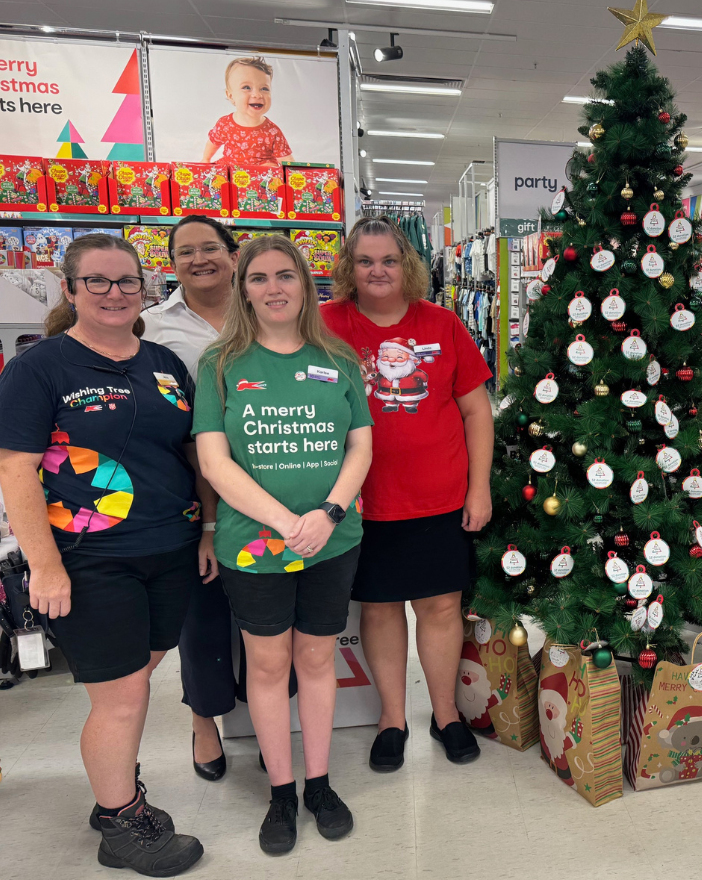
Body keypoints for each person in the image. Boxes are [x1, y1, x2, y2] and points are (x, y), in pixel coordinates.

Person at [0, 234, 205, 876]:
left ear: (145, 288)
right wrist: (46, 564)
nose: (115, 294)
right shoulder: (40, 367)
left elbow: (190, 453)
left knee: (136, 676)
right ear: (70, 289)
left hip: (171, 547)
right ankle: (120, 821)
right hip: (88, 556)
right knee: (123, 697)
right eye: (98, 282)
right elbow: (15, 469)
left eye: (127, 282)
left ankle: (116, 784)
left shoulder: (164, 361)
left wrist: (211, 530)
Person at [193, 236, 372, 853]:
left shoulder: (340, 359)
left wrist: (326, 512)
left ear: (306, 285)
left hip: (333, 537)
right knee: (268, 668)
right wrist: (286, 521)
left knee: (317, 661)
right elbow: (215, 462)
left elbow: (360, 446)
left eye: (286, 275)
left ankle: (319, 784)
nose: (274, 287)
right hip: (254, 546)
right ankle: (280, 792)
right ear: (243, 288)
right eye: (260, 277)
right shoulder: (220, 364)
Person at [321, 216, 494, 772]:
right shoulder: (324, 324)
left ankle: (445, 714)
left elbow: (476, 411)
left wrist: (479, 488)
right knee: (379, 608)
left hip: (441, 497)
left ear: (408, 266)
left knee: (442, 606)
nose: (377, 270)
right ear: (349, 268)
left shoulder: (442, 324)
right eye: (366, 261)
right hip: (359, 500)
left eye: (389, 260)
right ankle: (391, 718)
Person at [143, 216, 239, 781]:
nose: (199, 259)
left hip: (270, 480)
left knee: (267, 610)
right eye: (185, 252)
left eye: (209, 248)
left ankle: (267, 708)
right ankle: (204, 721)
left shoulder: (269, 308)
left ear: (232, 253)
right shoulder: (151, 327)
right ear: (171, 262)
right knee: (201, 614)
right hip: (190, 484)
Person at [202, 56, 294, 166]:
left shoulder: (272, 131)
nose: (257, 95)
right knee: (215, 172)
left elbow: (287, 160)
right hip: (231, 169)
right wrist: (206, 159)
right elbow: (213, 142)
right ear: (230, 96)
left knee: (271, 167)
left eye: (264, 89)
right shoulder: (225, 124)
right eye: (246, 87)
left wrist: (292, 173)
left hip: (259, 174)